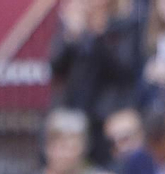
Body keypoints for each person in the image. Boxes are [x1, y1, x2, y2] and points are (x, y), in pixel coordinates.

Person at [49, 0, 139, 162]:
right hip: (73, 107)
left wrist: (100, 36)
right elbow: (56, 67)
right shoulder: (72, 20)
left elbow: (123, 70)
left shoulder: (126, 22)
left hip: (107, 112)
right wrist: (71, 37)